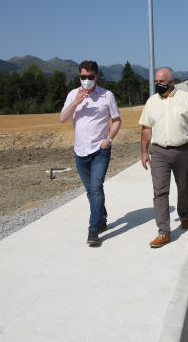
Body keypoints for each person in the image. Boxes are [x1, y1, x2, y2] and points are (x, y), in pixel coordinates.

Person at [140, 68, 188, 248]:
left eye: (161, 82)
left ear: (172, 82)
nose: (158, 85)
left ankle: (184, 215)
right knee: (160, 192)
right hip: (159, 152)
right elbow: (146, 128)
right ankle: (164, 232)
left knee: (184, 186)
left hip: (184, 151)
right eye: (156, 81)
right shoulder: (151, 102)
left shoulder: (185, 98)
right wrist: (143, 152)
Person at [59, 60, 121, 247]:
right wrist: (77, 102)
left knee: (96, 188)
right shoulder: (72, 95)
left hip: (100, 150)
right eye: (83, 77)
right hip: (80, 151)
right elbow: (62, 118)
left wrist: (108, 140)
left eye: (90, 77)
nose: (86, 80)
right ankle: (101, 218)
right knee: (91, 191)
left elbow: (117, 120)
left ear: (97, 76)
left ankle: (93, 229)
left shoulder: (106, 95)